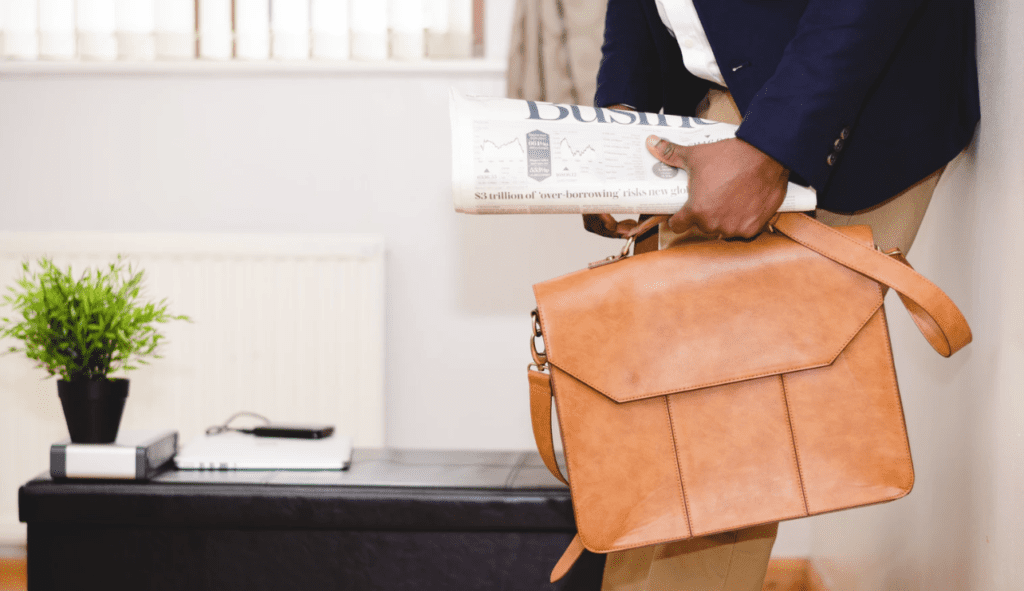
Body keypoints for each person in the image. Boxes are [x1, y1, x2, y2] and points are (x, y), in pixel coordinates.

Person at [581, 1, 980, 589]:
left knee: (722, 445)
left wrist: (774, 146)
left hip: (834, 103)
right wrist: (620, 115)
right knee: (666, 429)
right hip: (719, 104)